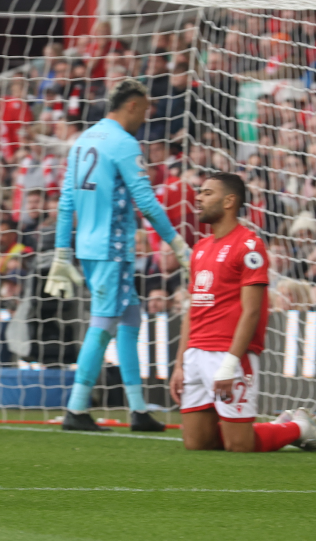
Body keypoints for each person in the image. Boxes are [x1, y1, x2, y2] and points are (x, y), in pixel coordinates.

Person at [45, 79, 190, 432]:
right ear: (132, 106)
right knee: (104, 322)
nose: (147, 115)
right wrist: (178, 245)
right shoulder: (124, 144)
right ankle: (76, 409)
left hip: (89, 247)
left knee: (130, 319)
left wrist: (62, 254)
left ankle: (138, 410)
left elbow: (66, 204)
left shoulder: (82, 141)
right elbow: (146, 202)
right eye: (145, 108)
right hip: (112, 248)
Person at [169, 172, 316, 453]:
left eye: (207, 193)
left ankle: (298, 428)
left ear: (229, 201)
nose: (199, 197)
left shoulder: (249, 245)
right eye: (200, 192)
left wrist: (230, 364)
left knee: (239, 445)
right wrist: (180, 363)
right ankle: (264, 426)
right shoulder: (201, 249)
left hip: (228, 354)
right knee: (197, 443)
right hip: (196, 353)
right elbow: (192, 310)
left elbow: (253, 311)